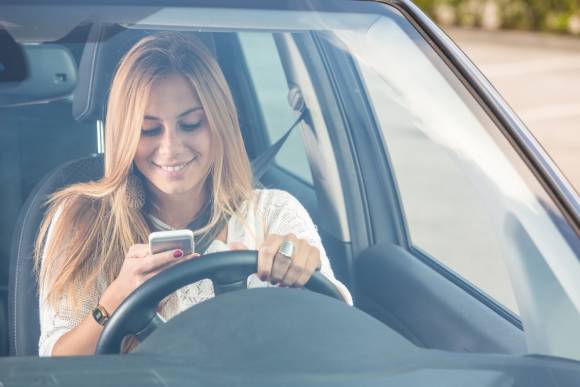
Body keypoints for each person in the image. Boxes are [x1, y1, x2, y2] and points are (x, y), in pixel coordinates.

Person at [35, 32, 352, 357]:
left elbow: (341, 335)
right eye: (149, 130)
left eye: (191, 124)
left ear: (219, 124)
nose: (171, 148)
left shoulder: (273, 212)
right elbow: (56, 364)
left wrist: (298, 267)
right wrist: (117, 297)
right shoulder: (82, 220)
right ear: (124, 134)